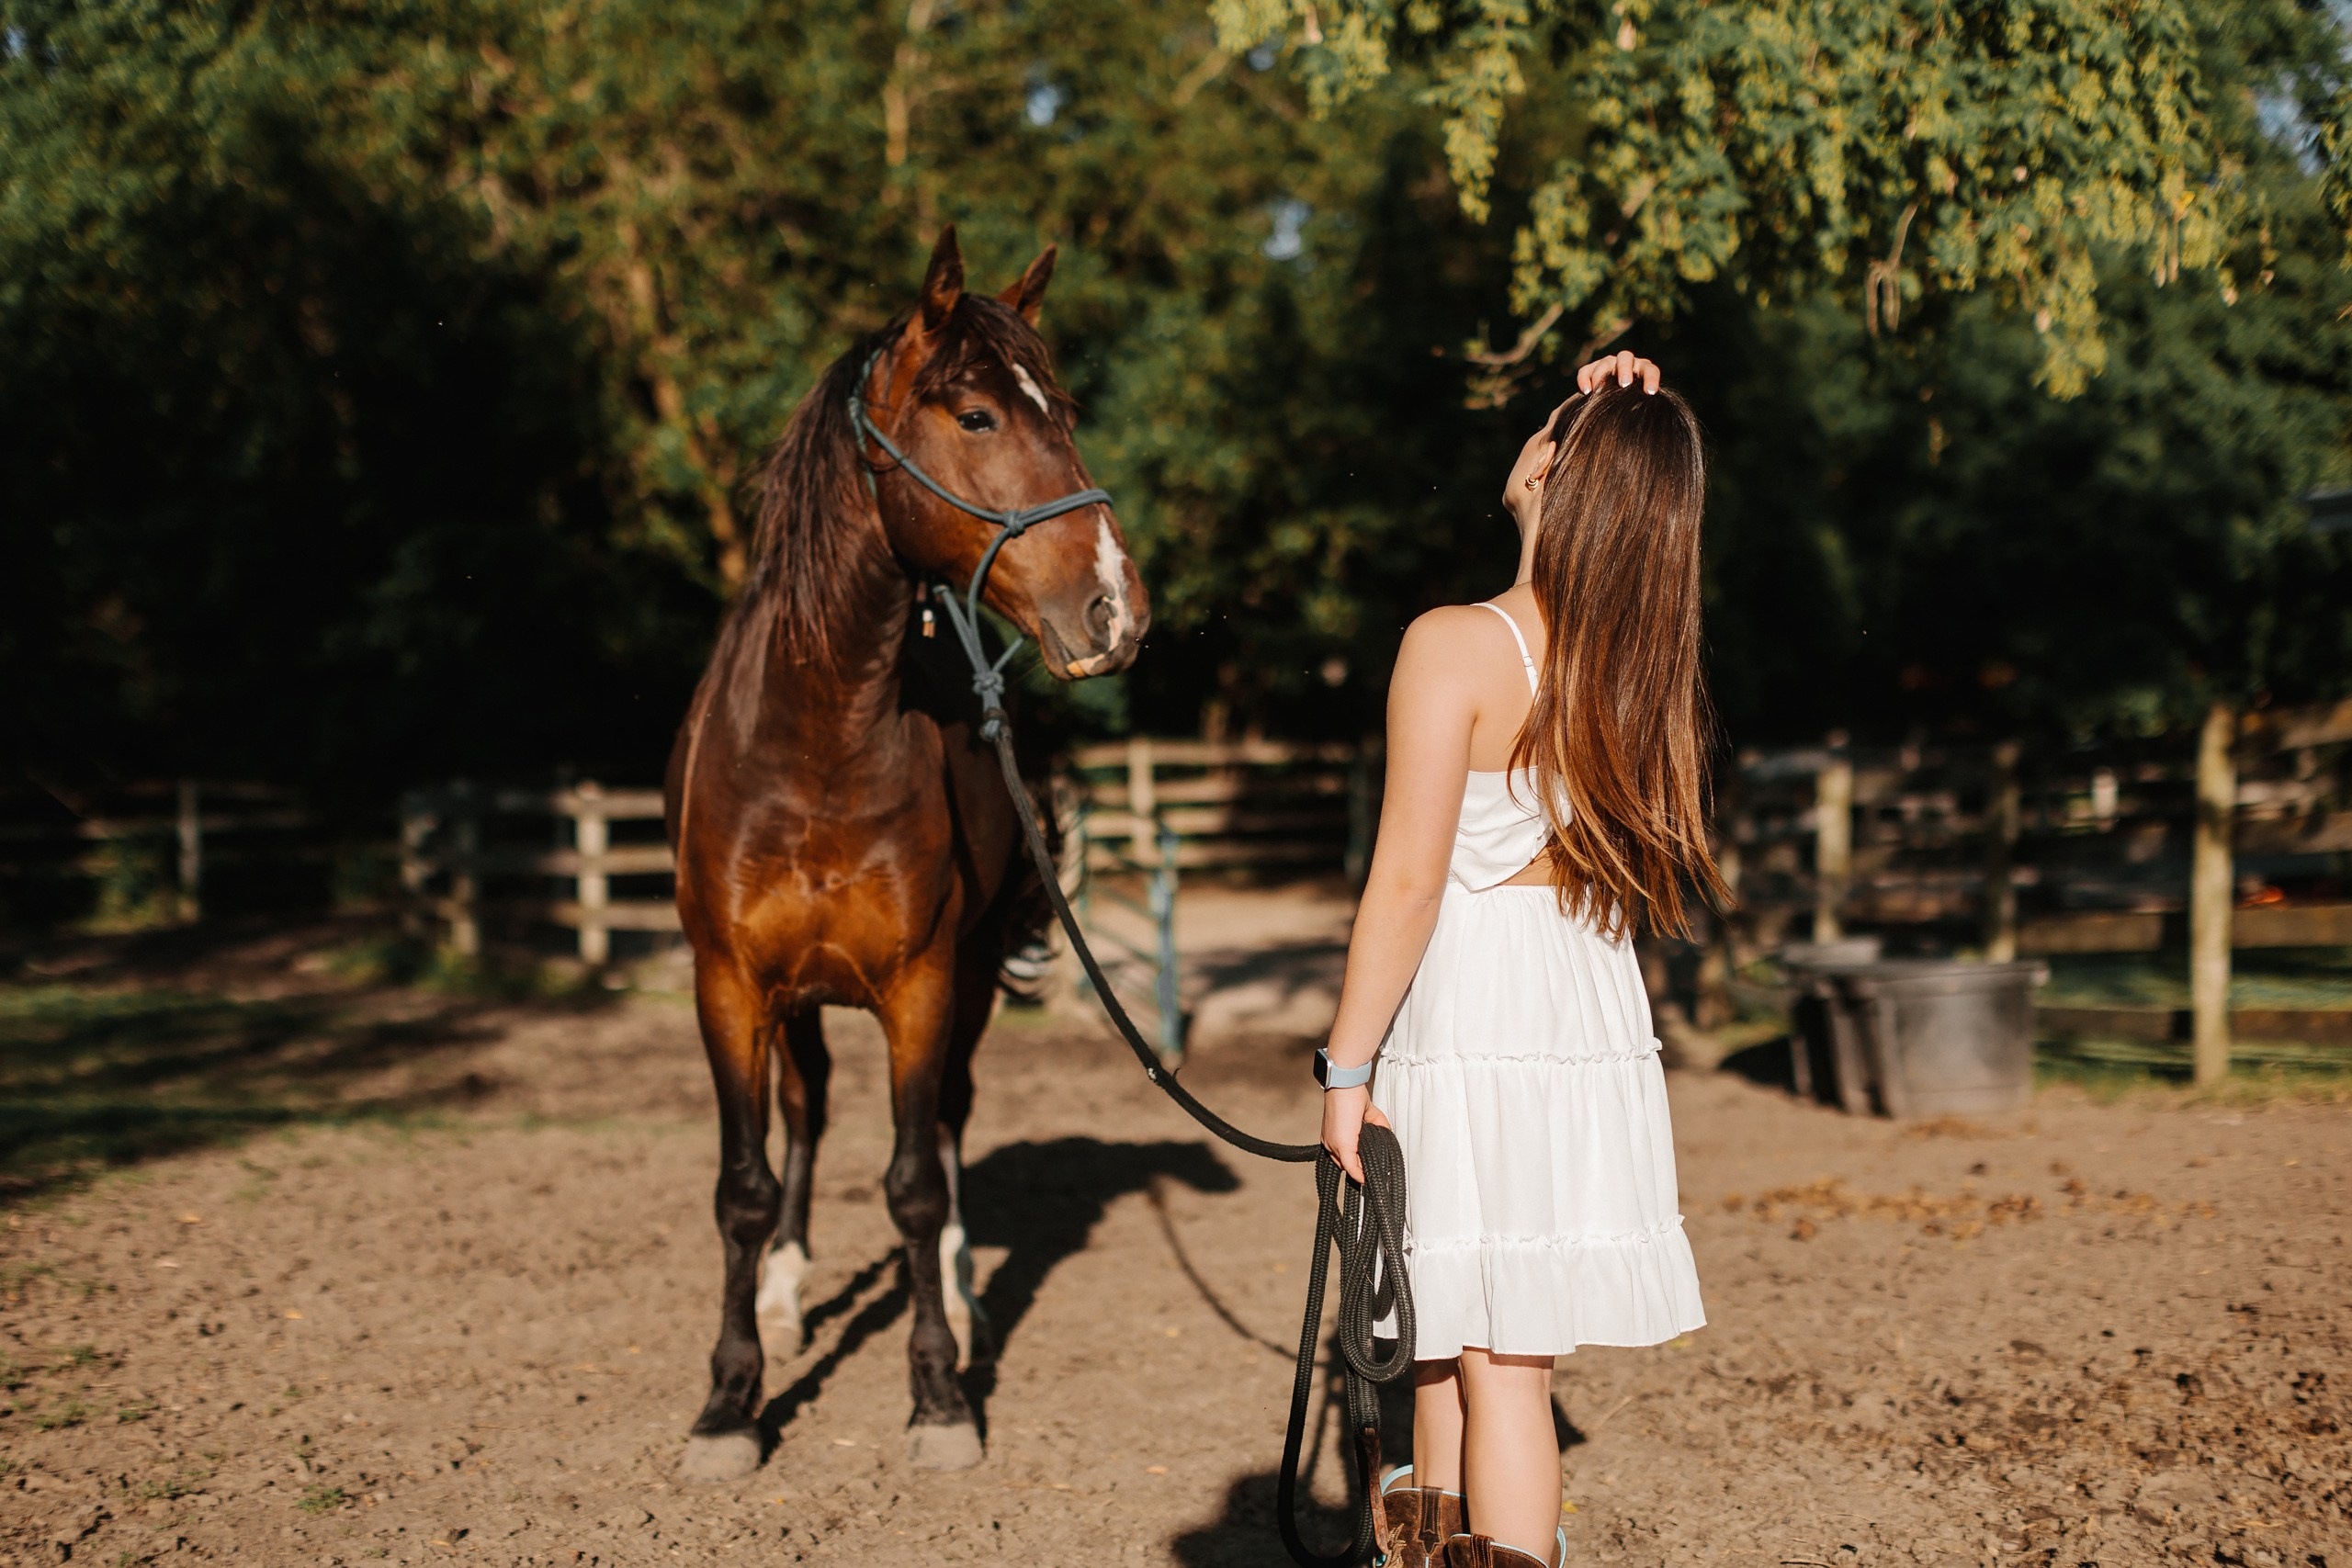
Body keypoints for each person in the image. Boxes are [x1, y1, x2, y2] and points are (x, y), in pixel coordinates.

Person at [1316, 351, 1724, 1568]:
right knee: (1464, 1332)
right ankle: (1434, 1548)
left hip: (1476, 1000)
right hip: (1579, 996)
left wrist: (1345, 1067)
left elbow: (1407, 882)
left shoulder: (1456, 643)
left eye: (1547, 426)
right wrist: (1630, 419)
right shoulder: (1639, 662)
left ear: (1549, 468)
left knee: (1484, 1358)